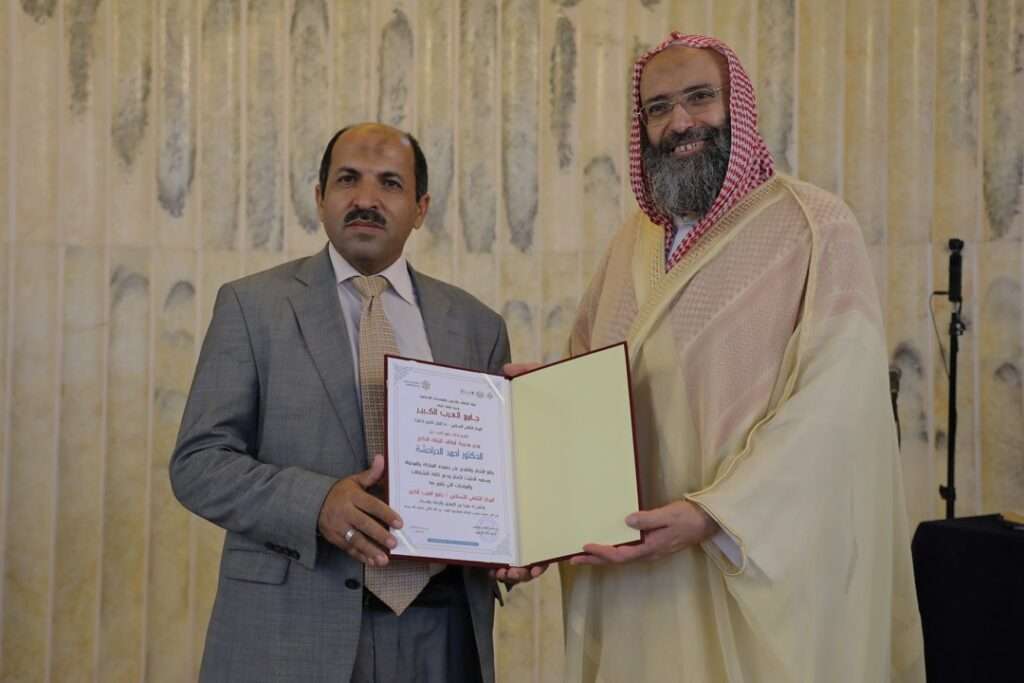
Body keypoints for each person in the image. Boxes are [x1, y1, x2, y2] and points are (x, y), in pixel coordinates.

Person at [544, 33, 926, 682]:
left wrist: (714, 514)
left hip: (750, 570)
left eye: (700, 98)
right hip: (635, 574)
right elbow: (587, 369)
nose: (680, 123)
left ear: (737, 107)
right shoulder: (630, 244)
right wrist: (545, 407)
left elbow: (836, 408)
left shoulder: (813, 226)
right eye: (658, 108)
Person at [170, 122, 537, 683]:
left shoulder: (476, 326)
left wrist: (520, 538)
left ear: (420, 208)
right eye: (348, 179)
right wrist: (315, 503)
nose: (366, 198)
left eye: (390, 183)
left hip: (442, 636)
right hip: (290, 634)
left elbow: (493, 482)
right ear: (320, 198)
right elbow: (198, 464)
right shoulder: (252, 307)